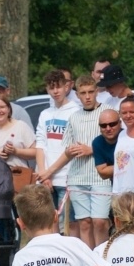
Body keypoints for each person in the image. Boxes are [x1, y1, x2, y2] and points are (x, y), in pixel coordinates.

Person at [44, 75, 112, 246]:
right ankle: (88, 263)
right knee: (84, 222)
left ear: (97, 91)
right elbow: (67, 149)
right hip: (77, 176)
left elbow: (116, 144)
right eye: (83, 93)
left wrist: (92, 149)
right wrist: (52, 167)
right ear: (77, 94)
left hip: (100, 176)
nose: (87, 96)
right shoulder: (74, 117)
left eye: (90, 92)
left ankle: (101, 258)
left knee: (100, 221)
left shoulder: (108, 112)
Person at [33, 69, 80, 208]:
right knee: (46, 223)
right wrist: (43, 173)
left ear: (66, 87)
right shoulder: (45, 114)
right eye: (51, 87)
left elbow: (71, 149)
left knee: (65, 225)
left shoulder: (75, 112)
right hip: (44, 179)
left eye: (58, 86)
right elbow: (40, 144)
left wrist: (50, 172)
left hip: (65, 179)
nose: (55, 91)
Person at [0, 96, 35, 179]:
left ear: (8, 109)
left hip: (18, 178)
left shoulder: (21, 126)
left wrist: (16, 151)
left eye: (2, 107)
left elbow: (35, 152)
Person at [92, 108, 122, 190]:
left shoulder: (129, 138)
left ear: (120, 123)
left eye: (112, 124)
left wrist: (111, 169)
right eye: (103, 126)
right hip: (116, 188)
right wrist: (128, 166)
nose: (108, 128)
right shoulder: (98, 142)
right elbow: (103, 173)